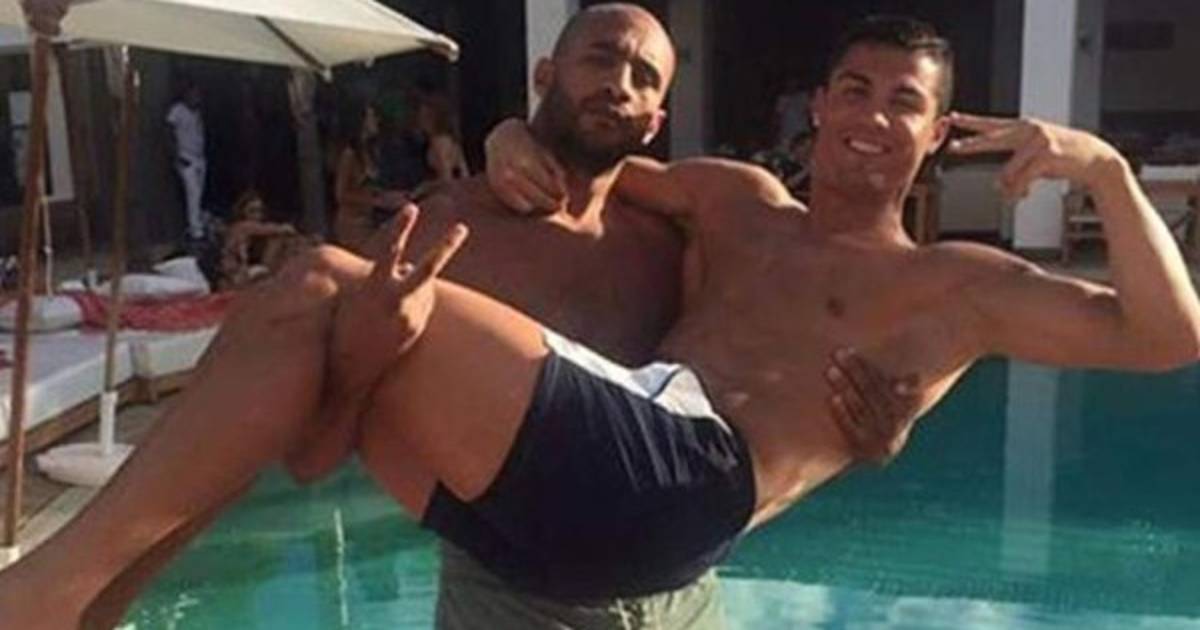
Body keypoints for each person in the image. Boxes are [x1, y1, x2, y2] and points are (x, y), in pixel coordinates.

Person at [4, 7, 1198, 630]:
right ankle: (98, 602)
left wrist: (1104, 172)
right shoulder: (738, 202)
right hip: (569, 511)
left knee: (317, 280)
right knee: (321, 336)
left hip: (686, 484)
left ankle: (47, 592)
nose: (871, 117)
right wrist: (508, 134)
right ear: (819, 106)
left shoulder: (960, 282)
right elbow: (599, 154)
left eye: (904, 103)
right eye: (853, 90)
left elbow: (1167, 337)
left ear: (937, 134)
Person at [334, 103, 408, 254]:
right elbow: (340, 194)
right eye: (371, 117)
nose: (375, 121)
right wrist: (377, 202)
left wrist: (389, 197)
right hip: (352, 224)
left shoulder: (370, 151)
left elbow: (369, 187)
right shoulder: (349, 155)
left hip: (368, 220)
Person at [166, 81, 208, 241]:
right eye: (194, 94)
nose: (197, 98)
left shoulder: (197, 112)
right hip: (186, 157)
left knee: (199, 194)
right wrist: (176, 156)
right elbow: (169, 132)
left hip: (199, 158)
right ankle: (196, 230)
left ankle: (197, 224)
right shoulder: (177, 110)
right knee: (193, 193)